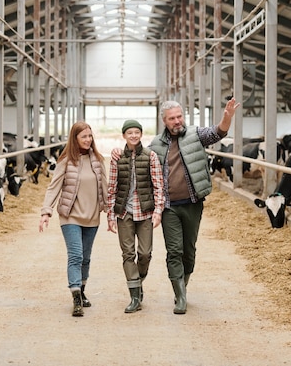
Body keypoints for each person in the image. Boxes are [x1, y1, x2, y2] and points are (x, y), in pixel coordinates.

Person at [113, 97, 239, 314]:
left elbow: (218, 132)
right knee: (174, 251)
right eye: (172, 118)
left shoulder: (196, 135)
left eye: (179, 116)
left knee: (189, 251)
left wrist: (226, 119)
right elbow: (138, 156)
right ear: (165, 121)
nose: (177, 121)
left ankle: (183, 285)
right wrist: (119, 151)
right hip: (169, 207)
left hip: (193, 203)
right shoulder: (156, 145)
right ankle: (180, 296)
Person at [39, 121, 108, 317]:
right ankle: (76, 296)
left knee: (86, 258)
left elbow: (105, 186)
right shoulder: (66, 161)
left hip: (92, 216)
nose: (88, 140)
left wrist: (111, 212)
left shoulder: (98, 160)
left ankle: (83, 290)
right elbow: (54, 187)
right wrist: (46, 211)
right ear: (75, 139)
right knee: (76, 255)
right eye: (84, 136)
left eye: (90, 136)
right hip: (70, 216)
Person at [107, 119, 165, 313]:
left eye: (136, 132)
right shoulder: (117, 157)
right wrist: (109, 215)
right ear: (124, 135)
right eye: (129, 132)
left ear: (141, 134)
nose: (133, 135)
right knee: (127, 254)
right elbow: (112, 186)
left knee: (145, 253)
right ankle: (134, 296)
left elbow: (158, 186)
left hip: (145, 211)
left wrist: (158, 212)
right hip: (124, 212)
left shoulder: (151, 156)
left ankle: (138, 281)